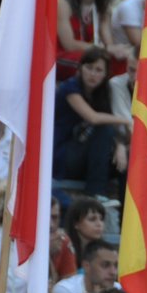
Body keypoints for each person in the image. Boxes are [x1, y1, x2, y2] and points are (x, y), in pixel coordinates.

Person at [53, 47, 128, 199]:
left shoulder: (102, 93)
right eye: (89, 68)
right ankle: (95, 193)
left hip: (89, 156)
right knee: (104, 129)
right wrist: (127, 120)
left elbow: (111, 129)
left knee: (128, 155)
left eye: (99, 70)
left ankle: (127, 210)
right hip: (64, 157)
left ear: (105, 74)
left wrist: (120, 146)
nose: (93, 74)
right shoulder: (70, 87)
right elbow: (93, 118)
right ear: (80, 68)